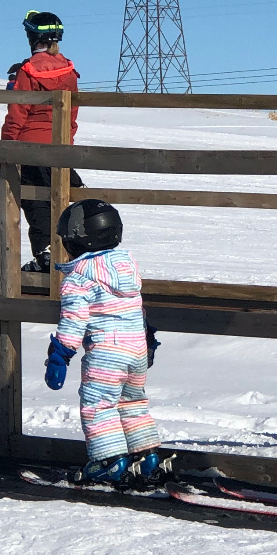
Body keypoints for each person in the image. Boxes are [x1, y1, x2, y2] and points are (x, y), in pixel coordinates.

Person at [42, 200, 170, 487]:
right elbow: (136, 310)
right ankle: (146, 457)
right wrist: (147, 341)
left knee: (98, 406)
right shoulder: (126, 269)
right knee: (133, 402)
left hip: (106, 354)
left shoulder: (79, 278)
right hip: (135, 350)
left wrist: (60, 356)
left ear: (77, 241)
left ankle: (108, 461)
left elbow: (74, 321)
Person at [0, 10, 81, 272]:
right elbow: (72, 113)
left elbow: (18, 112)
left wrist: (7, 146)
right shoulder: (69, 69)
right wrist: (66, 141)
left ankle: (46, 256)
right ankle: (71, 250)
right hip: (58, 147)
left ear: (31, 36)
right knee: (65, 195)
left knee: (34, 202)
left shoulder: (28, 71)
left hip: (29, 147)